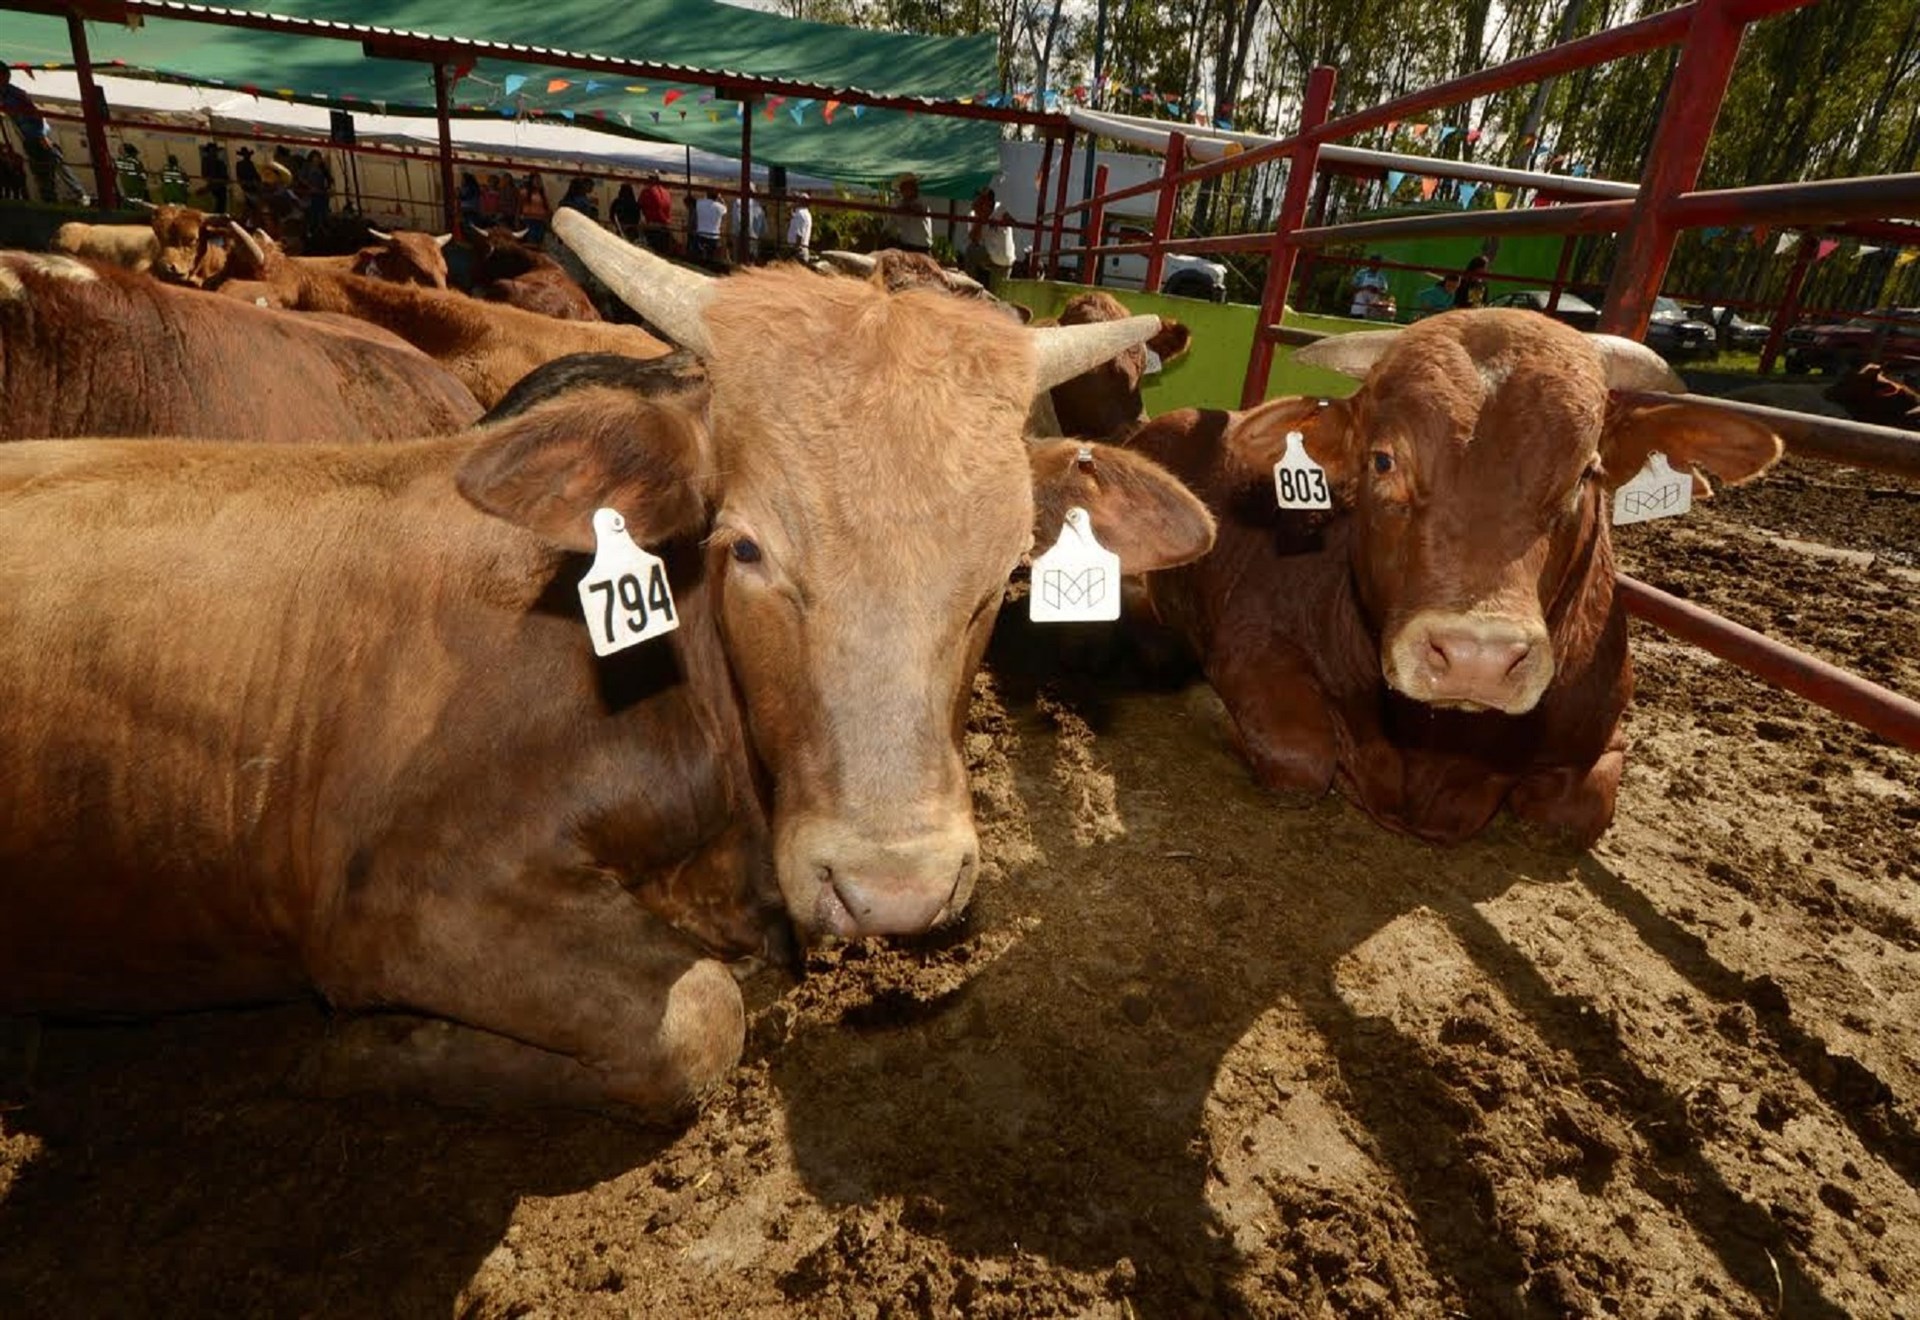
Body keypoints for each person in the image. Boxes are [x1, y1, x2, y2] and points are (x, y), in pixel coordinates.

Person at [1, 64, 88, 204]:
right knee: (40, 168)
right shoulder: (4, 94)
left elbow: (35, 114)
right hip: (28, 136)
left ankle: (79, 193)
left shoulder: (15, 93)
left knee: (56, 161)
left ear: (4, 76)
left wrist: (42, 134)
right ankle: (49, 198)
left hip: (37, 134)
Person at [891, 171, 932, 253]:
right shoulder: (898, 204)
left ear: (913, 187)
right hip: (905, 246)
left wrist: (903, 208)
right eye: (902, 188)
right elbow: (892, 220)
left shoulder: (922, 200)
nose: (903, 191)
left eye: (906, 187)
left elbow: (916, 209)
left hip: (922, 247)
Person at [637, 171, 674, 253]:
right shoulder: (666, 192)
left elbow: (639, 206)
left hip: (652, 227)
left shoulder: (647, 192)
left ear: (651, 180)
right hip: (665, 227)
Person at [690, 186, 726, 265]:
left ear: (706, 194)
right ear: (716, 196)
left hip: (700, 234)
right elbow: (725, 209)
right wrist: (721, 199)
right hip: (713, 236)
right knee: (711, 259)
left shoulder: (699, 203)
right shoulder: (720, 207)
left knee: (698, 259)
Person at [1348, 252, 1389, 318]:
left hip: (1374, 300)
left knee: (1372, 315)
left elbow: (1384, 291)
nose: (1375, 266)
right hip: (1360, 299)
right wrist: (1364, 288)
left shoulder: (1381, 277)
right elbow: (1353, 286)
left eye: (1377, 264)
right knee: (1357, 315)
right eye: (1373, 263)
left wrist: (1376, 290)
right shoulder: (1361, 273)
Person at [518, 173, 551, 241]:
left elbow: (546, 207)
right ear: (531, 181)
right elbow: (519, 206)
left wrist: (548, 219)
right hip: (529, 220)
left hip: (541, 221)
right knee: (531, 239)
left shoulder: (542, 194)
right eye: (536, 180)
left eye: (539, 180)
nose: (538, 182)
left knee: (539, 239)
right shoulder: (525, 192)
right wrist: (517, 219)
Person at [199, 140, 229, 214]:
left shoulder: (220, 162)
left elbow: (225, 176)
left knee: (220, 206)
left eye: (214, 151)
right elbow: (205, 174)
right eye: (212, 151)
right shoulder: (206, 161)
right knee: (216, 206)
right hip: (214, 187)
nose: (214, 152)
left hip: (219, 187)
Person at [786, 191, 813, 262]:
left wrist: (794, 251)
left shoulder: (800, 214)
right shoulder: (807, 214)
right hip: (803, 248)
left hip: (798, 250)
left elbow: (799, 234)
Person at [0, 136, 29, 201]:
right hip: (7, 177)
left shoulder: (15, 156)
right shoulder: (4, 157)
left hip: (15, 176)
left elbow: (18, 166)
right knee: (8, 189)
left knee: (18, 190)